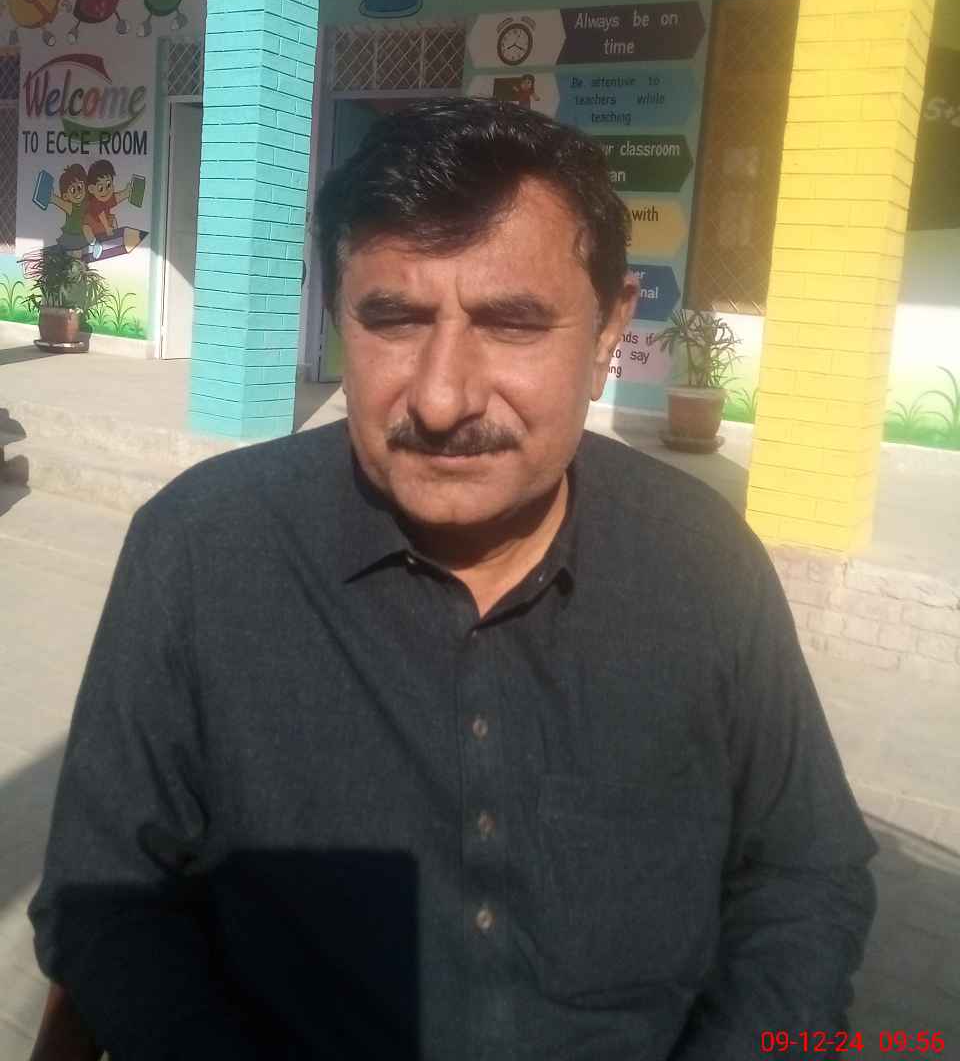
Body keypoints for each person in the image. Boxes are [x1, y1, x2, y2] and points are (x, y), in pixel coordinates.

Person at [30, 98, 876, 1061]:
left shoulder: (703, 561)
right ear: (336, 315)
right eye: (393, 320)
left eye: (512, 324)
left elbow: (805, 877)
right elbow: (105, 902)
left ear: (609, 331)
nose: (440, 399)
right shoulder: (201, 552)